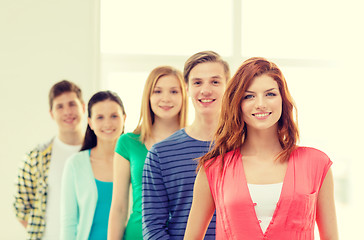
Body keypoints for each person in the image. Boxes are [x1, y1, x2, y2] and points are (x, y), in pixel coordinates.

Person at [184, 57, 339, 240]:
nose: (261, 104)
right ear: (237, 104)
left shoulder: (316, 164)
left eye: (270, 94)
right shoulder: (214, 169)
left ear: (283, 99)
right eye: (249, 96)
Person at [142, 51, 230, 239]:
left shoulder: (244, 146)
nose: (206, 90)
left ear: (228, 86)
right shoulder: (160, 154)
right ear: (187, 88)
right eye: (197, 82)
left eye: (215, 82)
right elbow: (152, 227)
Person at [108, 66, 188, 240]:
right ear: (148, 96)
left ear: (184, 96)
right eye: (157, 91)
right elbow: (119, 207)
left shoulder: (196, 143)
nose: (165, 98)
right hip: (137, 234)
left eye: (174, 91)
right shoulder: (128, 142)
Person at [13, 80, 86, 240]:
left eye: (72, 104)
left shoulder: (97, 152)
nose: (67, 111)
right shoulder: (35, 157)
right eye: (60, 106)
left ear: (83, 107)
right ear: (52, 113)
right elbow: (21, 209)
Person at [60, 91, 126, 240]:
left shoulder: (135, 162)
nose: (108, 124)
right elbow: (68, 222)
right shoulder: (75, 164)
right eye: (100, 117)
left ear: (124, 118)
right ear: (90, 122)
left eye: (114, 116)